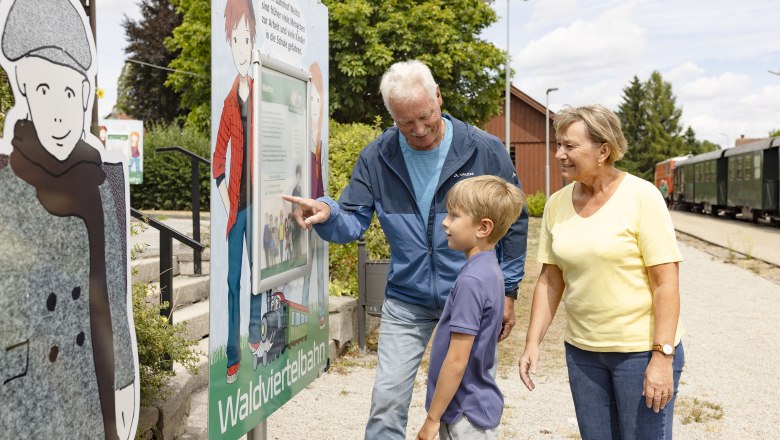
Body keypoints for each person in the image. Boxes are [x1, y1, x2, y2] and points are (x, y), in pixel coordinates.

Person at [284, 59, 528, 439]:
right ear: (392, 117)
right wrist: (328, 211)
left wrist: (509, 289)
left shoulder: (484, 149)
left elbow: (515, 220)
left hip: (466, 298)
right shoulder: (377, 156)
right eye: (405, 123)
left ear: (438, 98)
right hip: (406, 299)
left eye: (426, 117)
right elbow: (352, 218)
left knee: (468, 406)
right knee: (386, 403)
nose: (419, 130)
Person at [0, 0, 137, 438]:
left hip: (90, 386)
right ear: (22, 87)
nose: (58, 111)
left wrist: (126, 381)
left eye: (68, 92)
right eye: (43, 90)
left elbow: (113, 290)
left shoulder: (104, 177)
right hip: (26, 391)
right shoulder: (7, 180)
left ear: (84, 93)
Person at [518, 105, 685, 440]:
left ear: (603, 150)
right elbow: (551, 280)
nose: (559, 154)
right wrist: (532, 342)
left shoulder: (642, 197)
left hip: (639, 354)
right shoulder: (557, 204)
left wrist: (662, 357)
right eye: (558, 145)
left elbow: (666, 283)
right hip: (583, 354)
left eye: (569, 146)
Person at [416, 176, 524, 440]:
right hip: (474, 408)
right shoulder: (489, 270)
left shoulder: (471, 281)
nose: (445, 222)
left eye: (454, 216)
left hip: (462, 415)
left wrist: (432, 418)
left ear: (483, 227)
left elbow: (457, 359)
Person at [212, 0, 262, 384]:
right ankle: (232, 356)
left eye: (247, 39)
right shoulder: (230, 102)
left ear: (254, 41)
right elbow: (217, 159)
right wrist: (228, 200)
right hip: (237, 211)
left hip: (261, 206)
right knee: (233, 282)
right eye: (236, 40)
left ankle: (257, 337)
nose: (242, 47)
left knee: (257, 274)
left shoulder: (262, 93)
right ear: (229, 44)